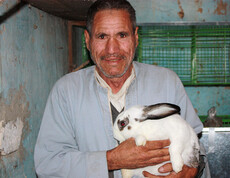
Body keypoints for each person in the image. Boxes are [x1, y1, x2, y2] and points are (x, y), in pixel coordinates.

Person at [34, 0, 210, 177]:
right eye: (102, 36)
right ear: (88, 40)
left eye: (122, 35)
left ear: (135, 37)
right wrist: (110, 160)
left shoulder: (167, 82)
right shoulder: (66, 91)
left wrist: (190, 170)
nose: (112, 49)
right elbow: (48, 164)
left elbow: (197, 149)